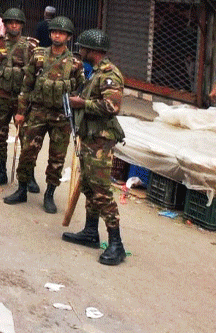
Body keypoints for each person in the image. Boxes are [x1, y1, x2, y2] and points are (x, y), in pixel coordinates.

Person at [4, 16, 86, 213]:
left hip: (61, 117)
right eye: (54, 32)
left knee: (57, 158)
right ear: (50, 34)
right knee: (27, 153)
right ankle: (22, 189)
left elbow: (80, 91)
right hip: (38, 112)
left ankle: (49, 194)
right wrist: (21, 112)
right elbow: (27, 84)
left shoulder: (75, 63)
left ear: (68, 37)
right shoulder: (39, 55)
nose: (57, 35)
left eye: (61, 32)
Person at [65, 29, 128, 266]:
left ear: (92, 50)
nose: (80, 51)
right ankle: (91, 232)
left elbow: (112, 106)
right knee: (89, 187)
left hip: (100, 142)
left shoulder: (110, 75)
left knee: (102, 191)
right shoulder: (95, 74)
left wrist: (82, 103)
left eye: (83, 48)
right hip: (90, 138)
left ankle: (116, 244)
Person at [0, 8, 37, 187]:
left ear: (22, 25)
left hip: (22, 101)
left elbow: (37, 74)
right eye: (10, 22)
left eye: (17, 22)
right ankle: (1, 172)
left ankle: (28, 175)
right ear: (6, 24)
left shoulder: (31, 46)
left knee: (27, 139)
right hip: (0, 98)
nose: (14, 25)